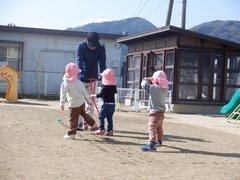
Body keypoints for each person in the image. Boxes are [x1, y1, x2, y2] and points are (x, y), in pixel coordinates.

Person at [76, 31, 107, 130]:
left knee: (90, 101)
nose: (93, 47)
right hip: (82, 76)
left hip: (93, 77)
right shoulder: (80, 46)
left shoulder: (101, 48)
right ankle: (79, 123)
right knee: (79, 101)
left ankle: (89, 122)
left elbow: (102, 63)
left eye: (95, 46)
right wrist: (79, 73)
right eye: (91, 45)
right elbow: (79, 61)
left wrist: (104, 76)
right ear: (87, 41)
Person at [59, 63, 98, 139]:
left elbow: (62, 94)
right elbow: (84, 91)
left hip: (73, 104)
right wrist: (88, 101)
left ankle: (71, 134)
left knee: (73, 119)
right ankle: (93, 124)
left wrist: (61, 104)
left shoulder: (65, 83)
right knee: (84, 114)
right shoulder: (78, 81)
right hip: (81, 102)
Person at [140, 70, 169, 151]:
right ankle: (159, 141)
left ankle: (152, 143)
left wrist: (147, 79)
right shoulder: (164, 89)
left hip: (154, 112)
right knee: (159, 128)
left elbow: (143, 84)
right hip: (161, 112)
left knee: (151, 127)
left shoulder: (154, 88)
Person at [91, 68, 117, 136]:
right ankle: (110, 130)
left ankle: (101, 129)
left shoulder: (105, 87)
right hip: (113, 104)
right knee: (109, 118)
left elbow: (100, 95)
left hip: (106, 104)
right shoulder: (113, 87)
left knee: (101, 117)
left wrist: (93, 95)